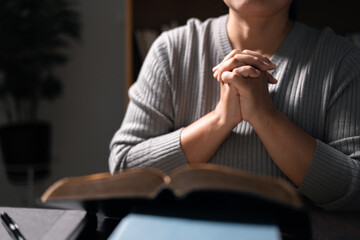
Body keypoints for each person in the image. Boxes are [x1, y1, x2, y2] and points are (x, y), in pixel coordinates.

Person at [109, 0, 360, 210]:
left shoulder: (343, 62)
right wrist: (220, 119)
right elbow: (123, 170)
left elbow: (355, 189)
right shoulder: (170, 50)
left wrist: (265, 116)